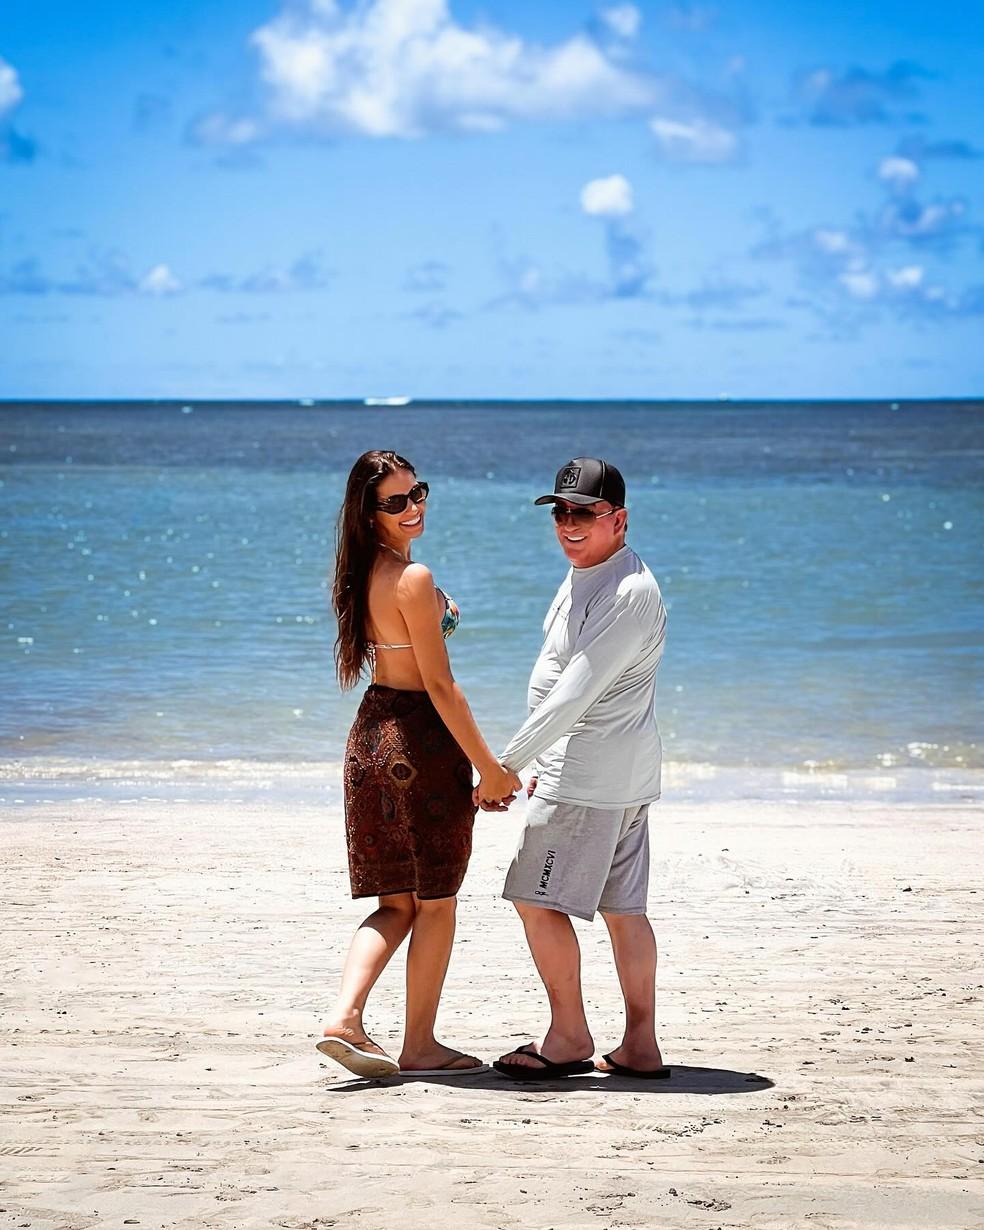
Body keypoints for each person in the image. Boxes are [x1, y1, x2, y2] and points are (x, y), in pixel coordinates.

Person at [316, 450, 520, 1080]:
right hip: (418, 744)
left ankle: (344, 1017)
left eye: (418, 493)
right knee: (435, 902)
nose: (414, 508)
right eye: (396, 502)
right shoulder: (412, 578)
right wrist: (491, 769)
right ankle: (421, 1045)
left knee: (396, 903)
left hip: (371, 740)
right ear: (369, 513)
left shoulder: (364, 571)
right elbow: (441, 686)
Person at [483, 457, 670, 1081]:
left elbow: (574, 694)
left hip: (587, 781)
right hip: (611, 776)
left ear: (617, 518)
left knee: (534, 900)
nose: (569, 523)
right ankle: (639, 1047)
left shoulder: (628, 591)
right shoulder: (588, 572)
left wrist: (506, 766)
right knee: (623, 911)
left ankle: (567, 1037)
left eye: (584, 513)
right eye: (560, 511)